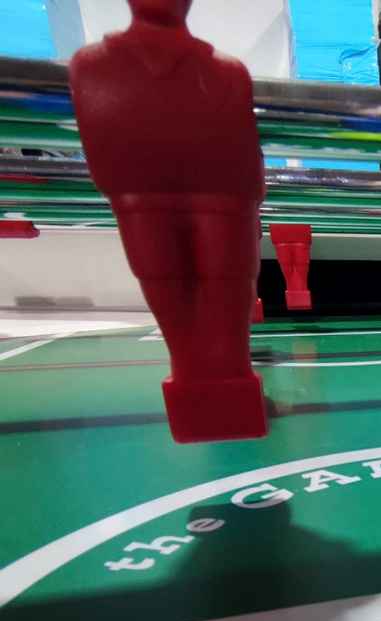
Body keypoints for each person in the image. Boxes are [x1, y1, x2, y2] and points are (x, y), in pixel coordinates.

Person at [69, 0, 268, 443]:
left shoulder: (226, 72)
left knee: (227, 281)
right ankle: (204, 387)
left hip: (221, 196)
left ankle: (224, 384)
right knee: (166, 283)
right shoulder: (93, 66)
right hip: (143, 195)